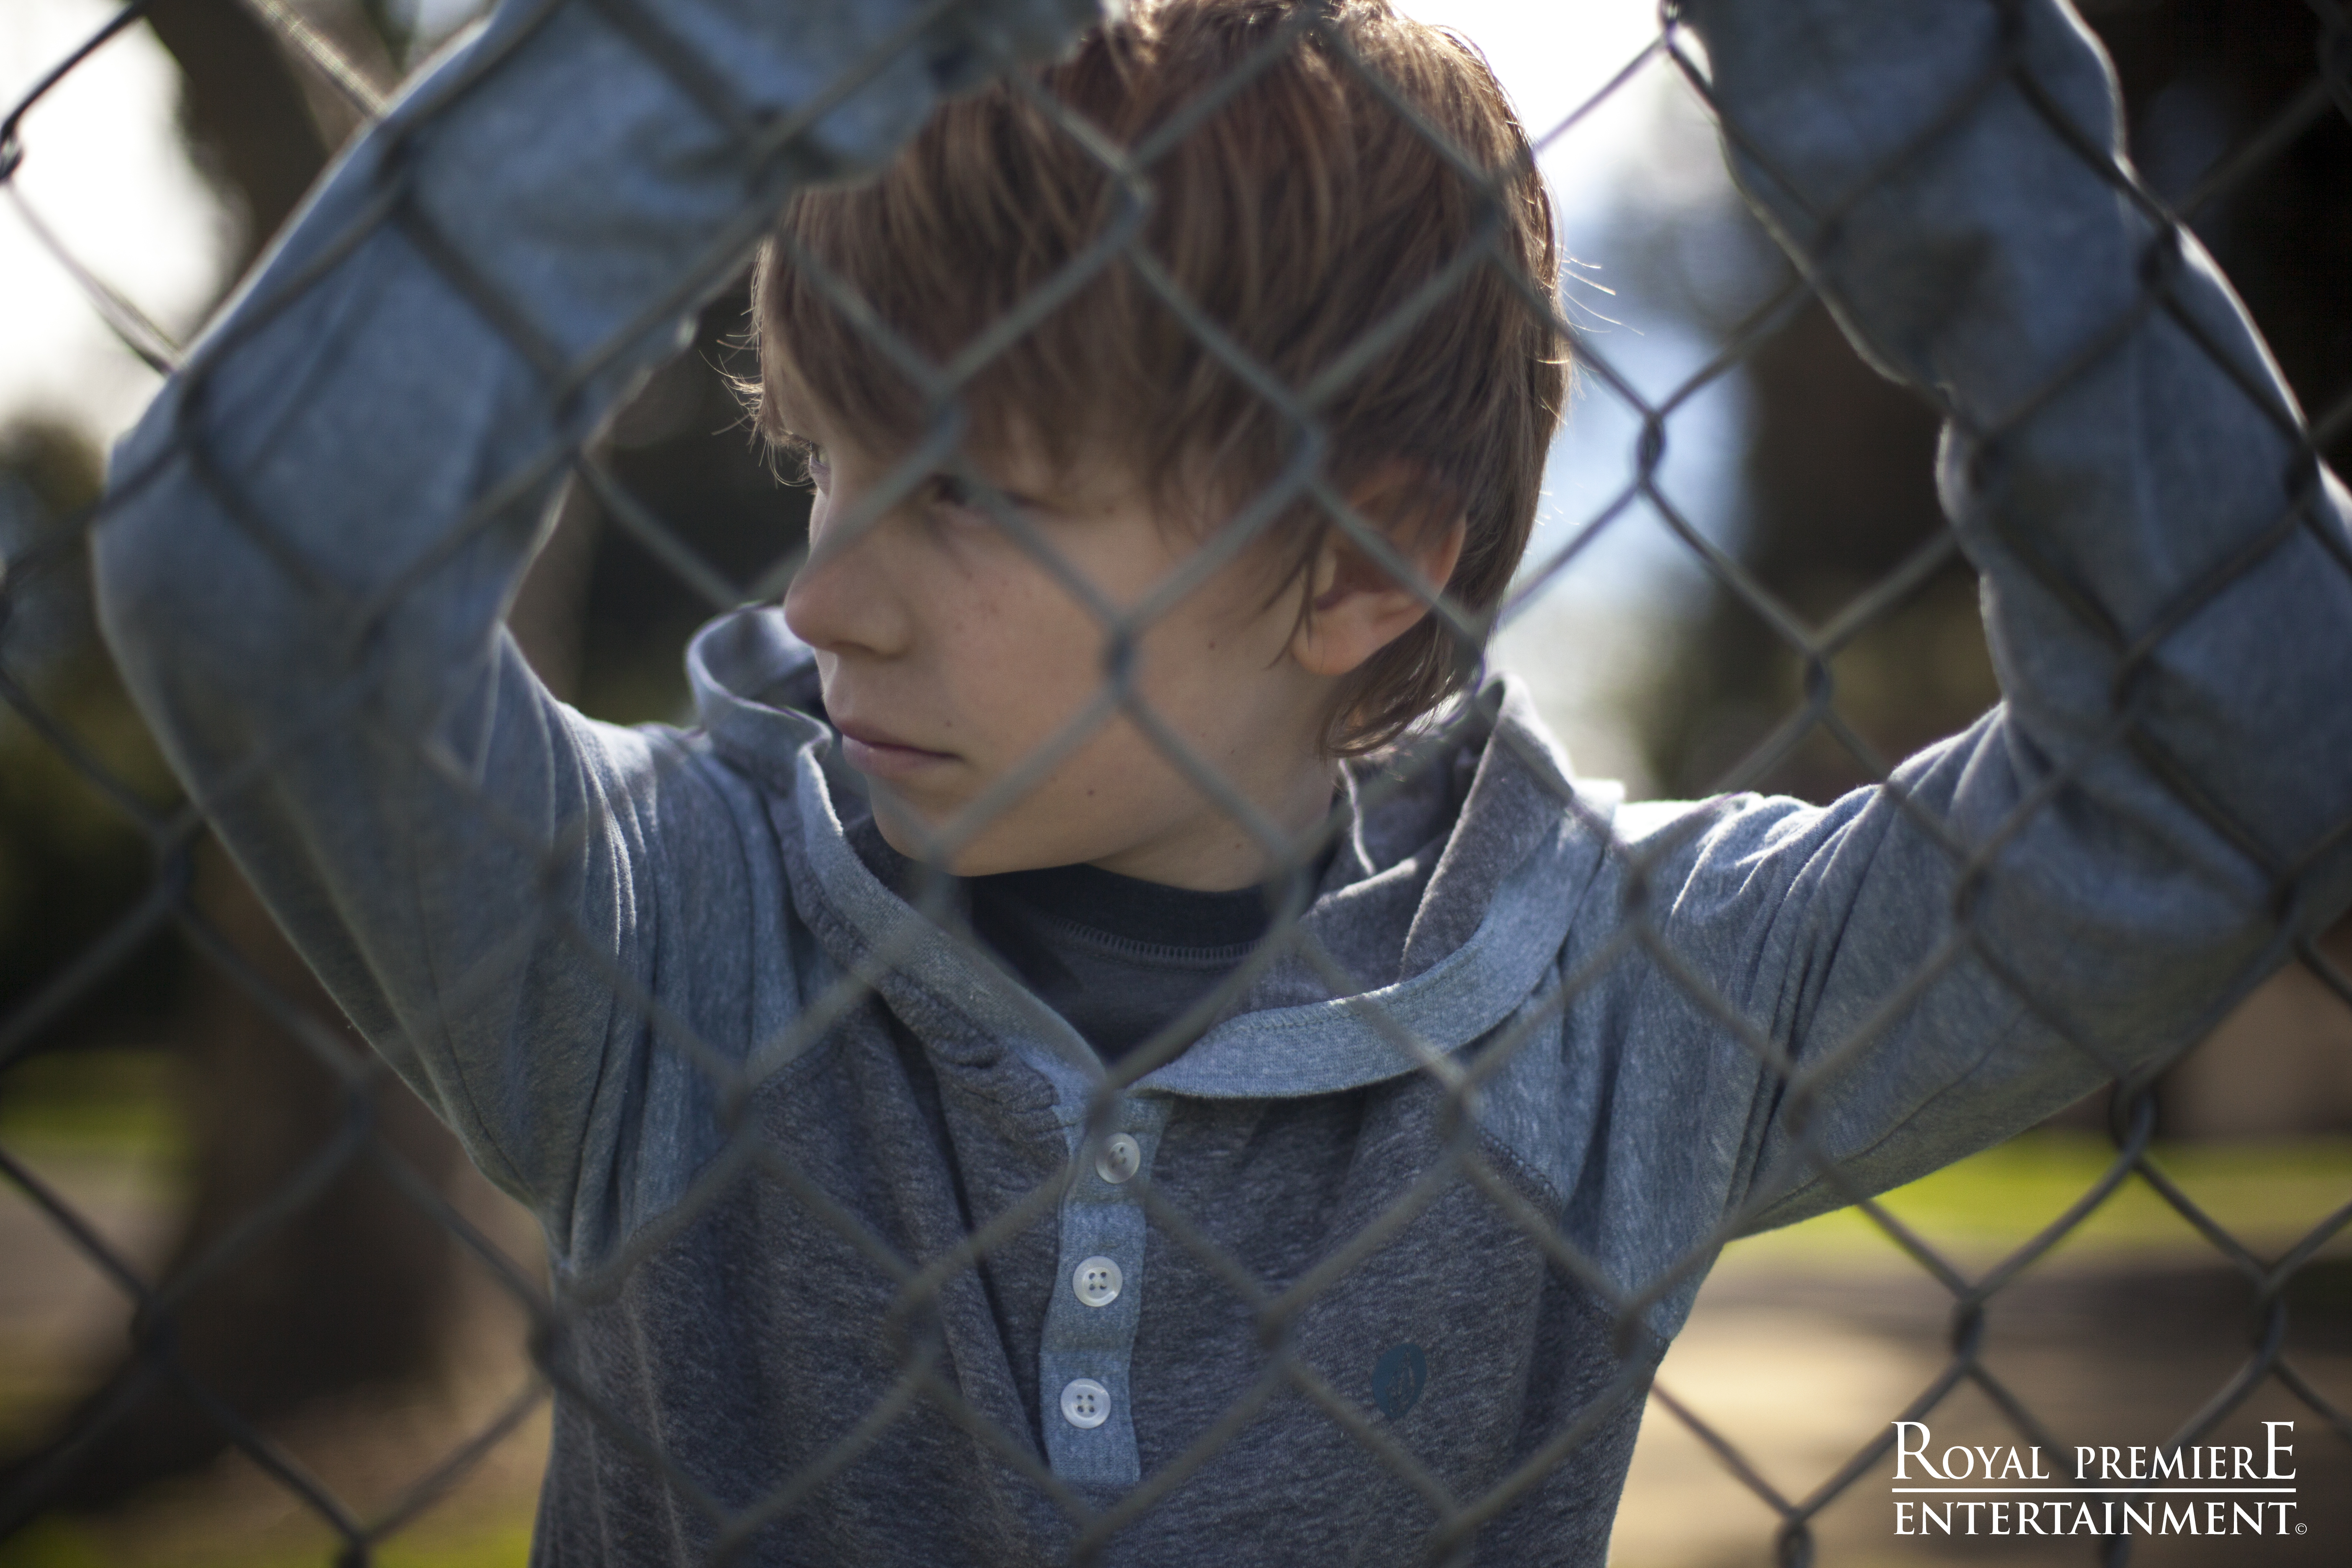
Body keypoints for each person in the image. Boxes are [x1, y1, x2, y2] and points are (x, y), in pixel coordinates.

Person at [90, 0, 2352, 1561]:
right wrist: (760, 44)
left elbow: (2242, 752)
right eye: (820, 459)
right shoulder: (660, 936)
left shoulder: (1627, 1011)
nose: (828, 595)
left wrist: (1901, 93)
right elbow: (256, 576)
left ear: (1362, 559)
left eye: (969, 487)